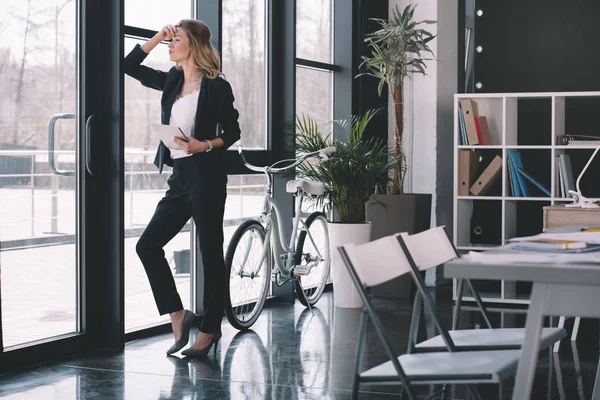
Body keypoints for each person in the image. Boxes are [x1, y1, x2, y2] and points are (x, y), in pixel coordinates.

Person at [123, 20, 240, 357]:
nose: (170, 45)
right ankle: (177, 313)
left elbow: (232, 132)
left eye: (176, 40)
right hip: (180, 178)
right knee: (147, 246)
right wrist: (158, 34)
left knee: (209, 255)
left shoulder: (217, 86)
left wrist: (205, 145)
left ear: (195, 44)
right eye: (168, 41)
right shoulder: (172, 80)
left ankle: (210, 330)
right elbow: (128, 65)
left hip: (206, 175)